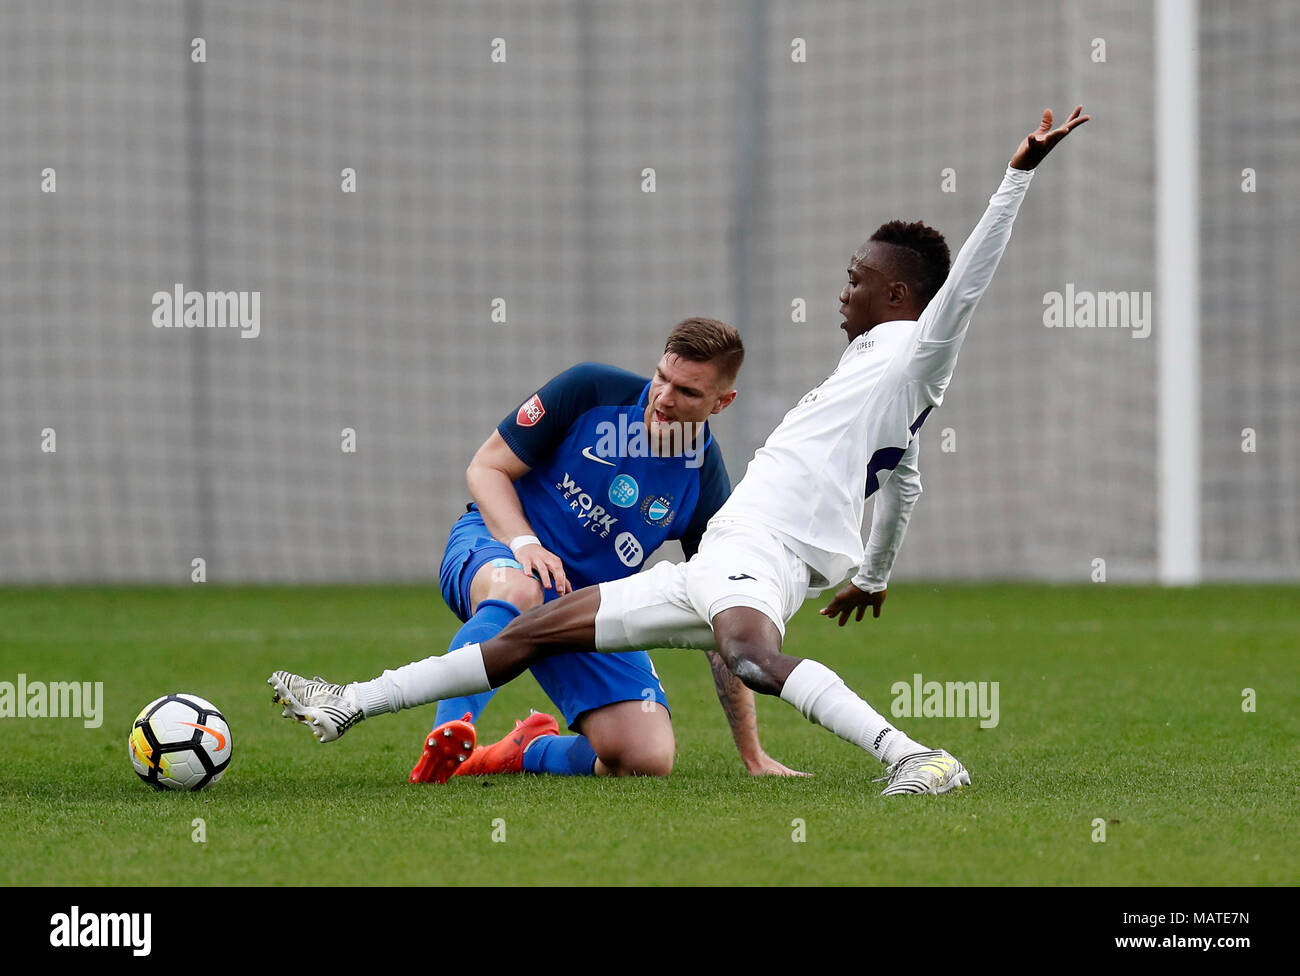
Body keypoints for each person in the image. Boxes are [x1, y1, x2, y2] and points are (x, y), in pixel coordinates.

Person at [271, 106, 1089, 795]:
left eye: (856, 278)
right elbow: (903, 481)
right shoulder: (876, 372)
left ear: (901, 295)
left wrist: (1016, 176)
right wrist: (875, 573)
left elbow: (967, 289)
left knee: (753, 655)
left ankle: (916, 756)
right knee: (534, 632)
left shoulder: (918, 347)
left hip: (765, 552)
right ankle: (345, 701)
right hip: (715, 564)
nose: (844, 290)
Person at [310, 317, 801, 782]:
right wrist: (524, 542)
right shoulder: (590, 390)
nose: (663, 399)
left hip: (580, 607)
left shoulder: (705, 485)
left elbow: (717, 615)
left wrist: (751, 751)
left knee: (645, 757)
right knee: (522, 588)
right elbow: (486, 467)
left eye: (687, 391)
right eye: (661, 377)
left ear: (723, 402)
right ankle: (451, 729)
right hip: (495, 547)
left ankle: (519, 751)